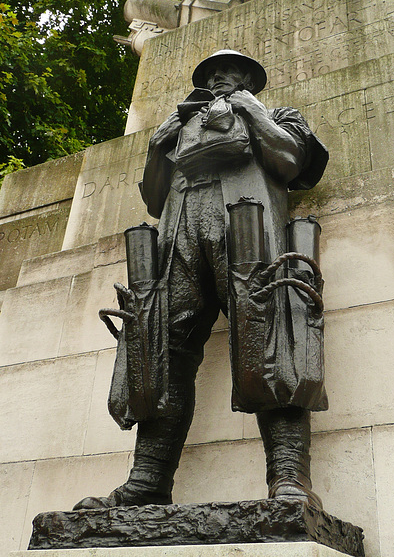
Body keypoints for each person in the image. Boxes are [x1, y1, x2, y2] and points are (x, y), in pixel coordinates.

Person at [74, 50, 328, 510]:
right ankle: (148, 480)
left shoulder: (279, 115)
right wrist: (158, 143)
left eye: (230, 73)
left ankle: (289, 477)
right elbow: (153, 200)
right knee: (161, 348)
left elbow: (290, 162)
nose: (218, 79)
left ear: (250, 79)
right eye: (211, 74)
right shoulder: (182, 129)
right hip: (180, 235)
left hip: (250, 227)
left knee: (273, 338)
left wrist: (251, 110)